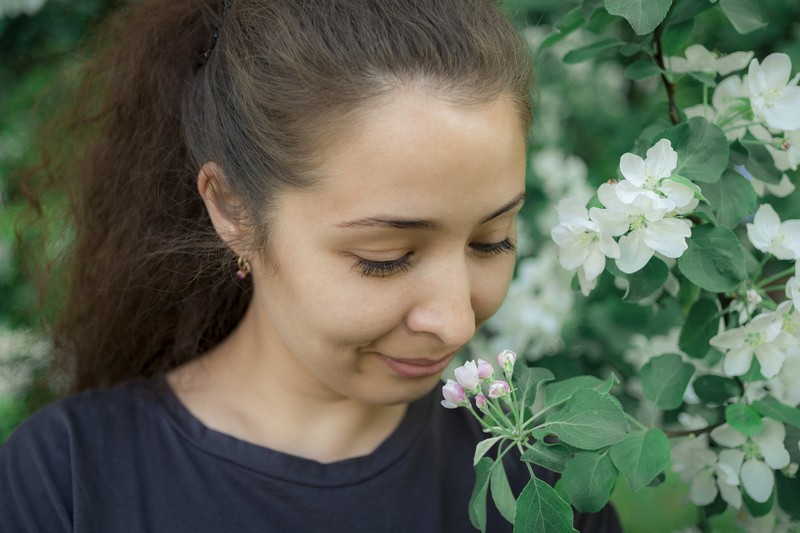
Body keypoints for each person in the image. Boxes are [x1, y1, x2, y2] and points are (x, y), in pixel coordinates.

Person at [1, 0, 621, 531]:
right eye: (386, 258)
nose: (457, 324)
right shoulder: (69, 478)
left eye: (492, 240)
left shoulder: (539, 477)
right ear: (234, 211)